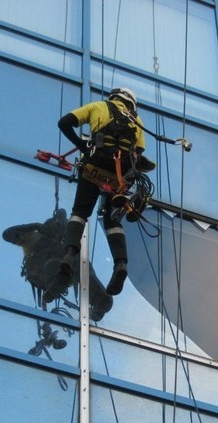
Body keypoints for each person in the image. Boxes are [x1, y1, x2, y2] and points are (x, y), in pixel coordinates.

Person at [45, 87, 154, 302]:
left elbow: (63, 123)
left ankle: (68, 256)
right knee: (112, 220)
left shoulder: (99, 107)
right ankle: (120, 264)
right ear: (131, 103)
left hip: (94, 166)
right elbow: (138, 153)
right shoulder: (137, 120)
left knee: (80, 212)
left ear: (114, 97)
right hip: (119, 175)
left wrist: (83, 146)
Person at [2, 209, 113, 322]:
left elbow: (70, 235)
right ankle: (58, 285)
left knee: (82, 265)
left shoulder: (53, 237)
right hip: (51, 270)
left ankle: (101, 301)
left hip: (66, 265)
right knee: (59, 264)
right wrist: (35, 226)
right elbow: (7, 234)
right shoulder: (35, 238)